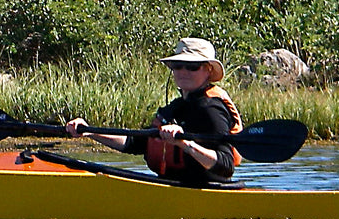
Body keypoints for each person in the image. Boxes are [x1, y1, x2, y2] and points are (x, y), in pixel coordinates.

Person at [66, 38, 243, 186]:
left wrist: (184, 144)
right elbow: (133, 142)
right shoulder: (174, 108)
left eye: (192, 67)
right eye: (178, 65)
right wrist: (90, 131)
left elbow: (225, 166)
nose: (183, 72)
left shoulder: (211, 109)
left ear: (208, 70)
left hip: (204, 190)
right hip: (173, 186)